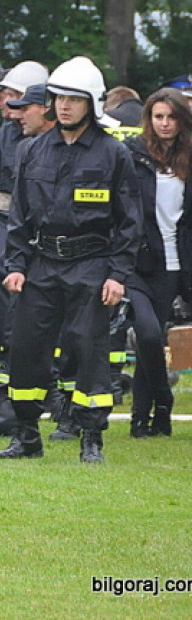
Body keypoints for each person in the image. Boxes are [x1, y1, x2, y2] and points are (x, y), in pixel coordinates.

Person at [0, 56, 141, 463]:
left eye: (74, 100)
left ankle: (90, 437)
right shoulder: (31, 151)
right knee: (26, 347)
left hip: (91, 264)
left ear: (91, 104)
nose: (64, 106)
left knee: (89, 350)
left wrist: (118, 275)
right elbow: (19, 215)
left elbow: (130, 222)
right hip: (41, 262)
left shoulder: (114, 154)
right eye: (59, 98)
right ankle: (26, 434)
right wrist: (15, 265)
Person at [0, 61, 48, 433]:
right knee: (0, 326)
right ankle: (2, 400)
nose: (5, 106)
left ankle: (45, 400)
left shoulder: (54, 143)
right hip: (2, 244)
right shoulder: (1, 139)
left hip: (44, 250)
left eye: (14, 99)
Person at [124, 88, 192, 438]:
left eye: (171, 116)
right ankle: (163, 400)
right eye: (158, 116)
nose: (164, 123)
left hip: (174, 263)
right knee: (148, 334)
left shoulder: (189, 157)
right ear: (149, 119)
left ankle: (143, 419)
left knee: (153, 339)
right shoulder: (132, 155)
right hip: (137, 261)